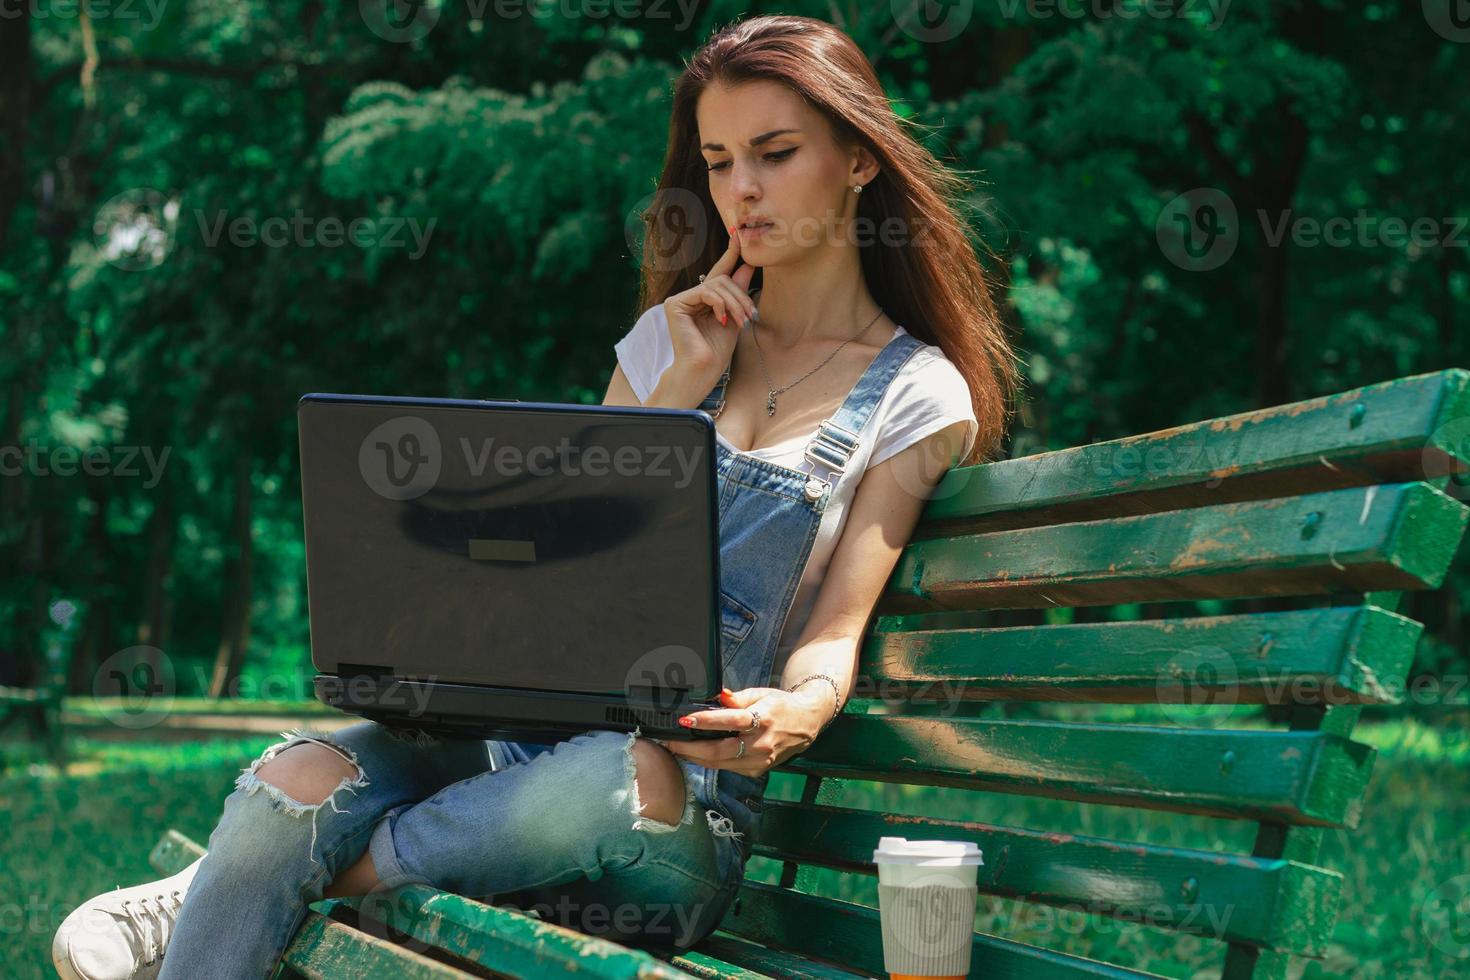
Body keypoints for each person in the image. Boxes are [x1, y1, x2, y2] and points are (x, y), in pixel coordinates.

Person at [51, 13, 1019, 979]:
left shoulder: (915, 394)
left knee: (604, 780)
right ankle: (238, 891)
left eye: (775, 153)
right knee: (290, 778)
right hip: (506, 752)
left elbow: (834, 631)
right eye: (719, 162)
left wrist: (800, 709)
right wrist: (670, 398)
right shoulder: (666, 347)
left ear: (859, 161)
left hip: (674, 815)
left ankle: (228, 893)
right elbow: (552, 582)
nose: (743, 191)